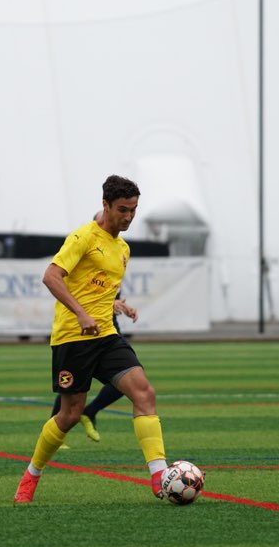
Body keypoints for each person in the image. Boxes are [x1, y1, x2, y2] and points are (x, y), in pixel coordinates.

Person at [14, 175, 169, 503]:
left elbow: (93, 288)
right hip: (72, 338)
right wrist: (82, 314)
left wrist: (116, 304)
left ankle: (160, 475)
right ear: (105, 205)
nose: (128, 217)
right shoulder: (83, 237)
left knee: (144, 393)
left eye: (134, 210)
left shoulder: (123, 248)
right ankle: (31, 475)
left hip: (107, 336)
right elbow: (51, 277)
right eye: (123, 210)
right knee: (69, 415)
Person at [51, 293, 136, 444]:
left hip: (109, 329)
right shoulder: (77, 270)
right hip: (82, 330)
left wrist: (121, 306)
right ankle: (55, 435)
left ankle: (90, 411)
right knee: (74, 386)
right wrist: (110, 304)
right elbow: (81, 291)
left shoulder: (119, 269)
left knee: (131, 380)